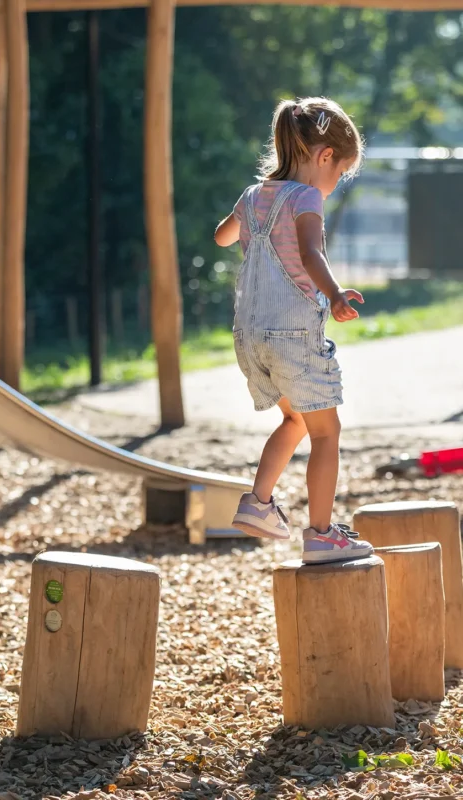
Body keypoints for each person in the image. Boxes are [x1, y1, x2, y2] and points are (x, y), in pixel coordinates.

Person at [214, 97, 373, 564]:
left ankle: (259, 504)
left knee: (295, 420)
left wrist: (249, 212)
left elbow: (222, 236)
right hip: (292, 338)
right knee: (327, 432)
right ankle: (322, 534)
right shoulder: (305, 198)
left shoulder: (253, 195)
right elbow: (310, 254)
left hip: (251, 339)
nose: (335, 183)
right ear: (324, 155)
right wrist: (337, 293)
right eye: (340, 173)